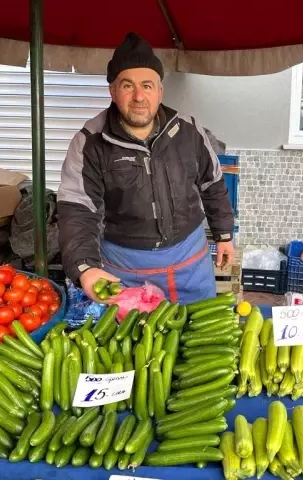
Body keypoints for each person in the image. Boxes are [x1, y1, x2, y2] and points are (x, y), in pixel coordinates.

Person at [57, 32, 235, 304]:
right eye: (127, 85)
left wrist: (223, 234)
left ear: (160, 91)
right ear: (113, 92)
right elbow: (78, 210)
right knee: (135, 344)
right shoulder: (89, 143)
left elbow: (213, 184)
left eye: (147, 85)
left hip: (191, 265)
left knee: (197, 338)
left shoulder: (188, 131)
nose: (139, 96)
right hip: (126, 270)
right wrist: (85, 266)